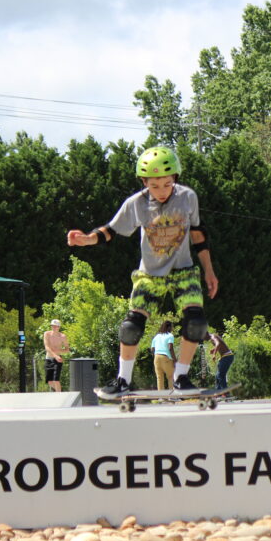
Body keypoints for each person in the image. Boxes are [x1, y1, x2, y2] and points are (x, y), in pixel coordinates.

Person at [66, 146, 218, 395]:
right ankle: (123, 381)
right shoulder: (136, 204)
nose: (160, 191)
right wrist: (87, 239)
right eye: (154, 186)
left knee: (196, 322)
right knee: (131, 326)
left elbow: (199, 235)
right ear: (145, 182)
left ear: (175, 179)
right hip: (149, 273)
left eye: (166, 185)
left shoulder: (188, 198)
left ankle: (181, 378)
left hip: (183, 270)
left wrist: (209, 272)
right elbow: (110, 231)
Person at [42, 319, 70, 392]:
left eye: (55, 326)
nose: (54, 328)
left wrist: (59, 352)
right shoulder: (47, 334)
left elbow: (67, 349)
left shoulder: (63, 336)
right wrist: (55, 355)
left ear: (59, 327)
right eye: (52, 326)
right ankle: (60, 391)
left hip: (58, 359)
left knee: (56, 380)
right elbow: (47, 347)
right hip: (49, 358)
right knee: (49, 381)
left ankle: (59, 394)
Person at [151, 320, 177, 391]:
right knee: (170, 377)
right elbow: (170, 348)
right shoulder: (170, 335)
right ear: (168, 327)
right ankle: (172, 396)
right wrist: (174, 360)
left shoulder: (156, 336)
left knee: (159, 378)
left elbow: (152, 349)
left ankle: (162, 397)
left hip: (156, 357)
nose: (172, 328)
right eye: (171, 327)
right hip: (165, 357)